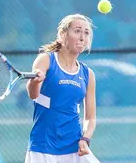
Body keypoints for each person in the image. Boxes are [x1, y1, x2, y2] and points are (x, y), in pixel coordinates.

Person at [25, 13, 97, 163]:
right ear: (63, 35)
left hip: (74, 145)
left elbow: (90, 117)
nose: (82, 37)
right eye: (77, 31)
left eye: (86, 32)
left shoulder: (88, 74)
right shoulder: (46, 59)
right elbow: (33, 95)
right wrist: (36, 81)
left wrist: (85, 138)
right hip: (43, 144)